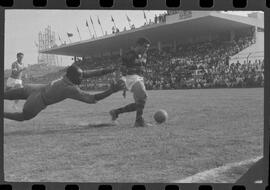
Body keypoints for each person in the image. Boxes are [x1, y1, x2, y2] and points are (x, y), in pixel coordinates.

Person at [4, 65, 124, 122]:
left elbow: (87, 73)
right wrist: (111, 91)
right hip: (38, 101)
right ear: (72, 76)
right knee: (24, 116)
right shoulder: (70, 89)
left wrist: (108, 69)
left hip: (34, 88)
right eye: (80, 76)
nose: (82, 78)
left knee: (6, 95)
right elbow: (92, 98)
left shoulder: (67, 76)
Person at [109, 37, 151, 127]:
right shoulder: (129, 55)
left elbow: (142, 69)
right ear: (138, 45)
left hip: (139, 78)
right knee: (143, 96)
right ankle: (139, 121)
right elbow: (120, 69)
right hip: (131, 77)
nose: (146, 49)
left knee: (139, 104)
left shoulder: (145, 55)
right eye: (145, 47)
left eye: (147, 47)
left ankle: (116, 112)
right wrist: (121, 83)